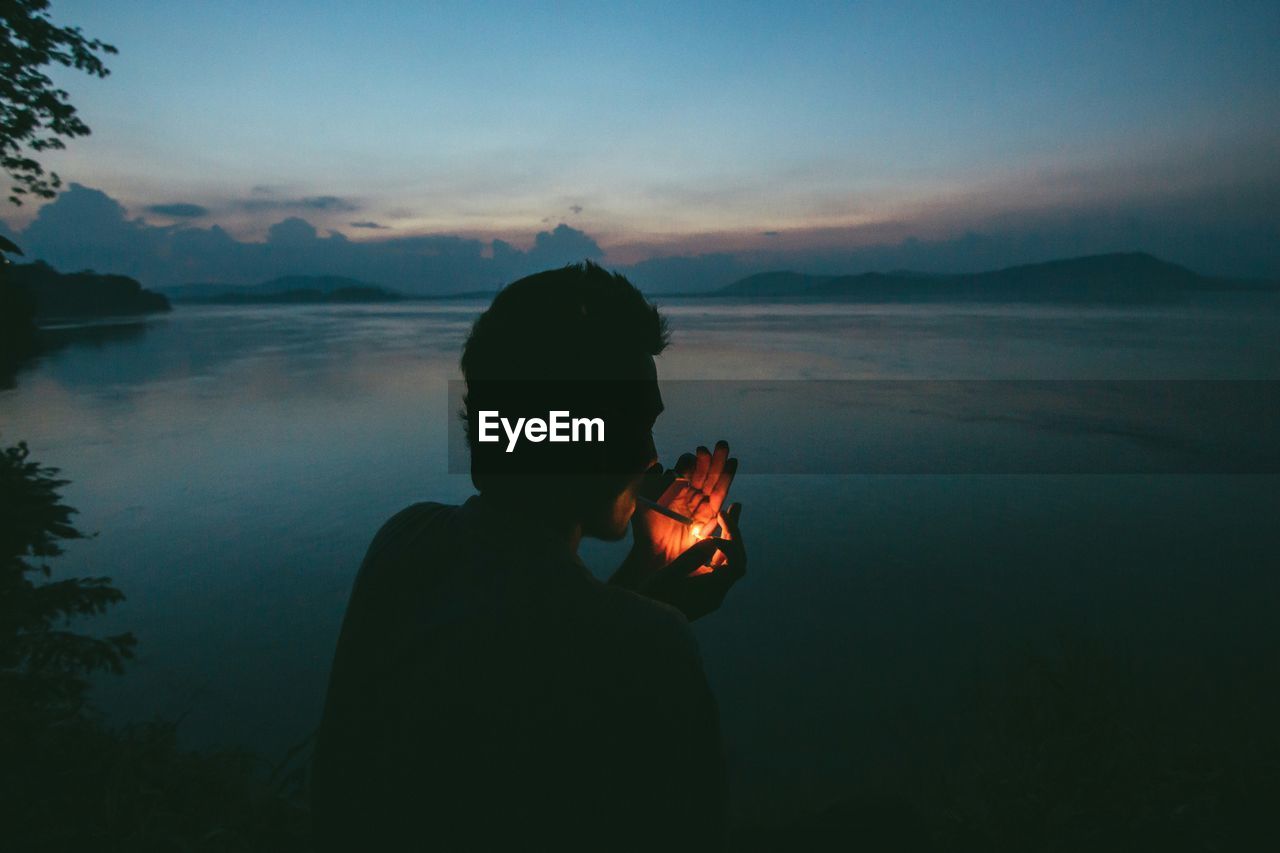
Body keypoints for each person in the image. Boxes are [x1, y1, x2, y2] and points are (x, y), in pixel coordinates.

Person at [311, 262, 746, 851]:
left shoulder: (405, 543)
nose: (650, 458)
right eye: (629, 427)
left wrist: (643, 574)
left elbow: (535, 649)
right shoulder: (652, 650)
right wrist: (656, 620)